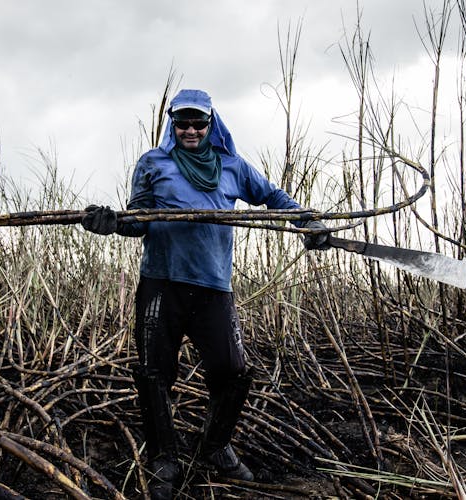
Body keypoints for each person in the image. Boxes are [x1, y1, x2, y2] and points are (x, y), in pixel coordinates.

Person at [81, 89, 328, 499]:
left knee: (233, 372)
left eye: (199, 123)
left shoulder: (231, 166)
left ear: (211, 124)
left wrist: (307, 220)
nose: (191, 130)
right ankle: (164, 457)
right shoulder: (152, 163)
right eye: (183, 123)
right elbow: (138, 220)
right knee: (154, 372)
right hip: (162, 282)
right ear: (172, 125)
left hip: (214, 286)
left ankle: (215, 447)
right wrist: (110, 223)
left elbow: (272, 197)